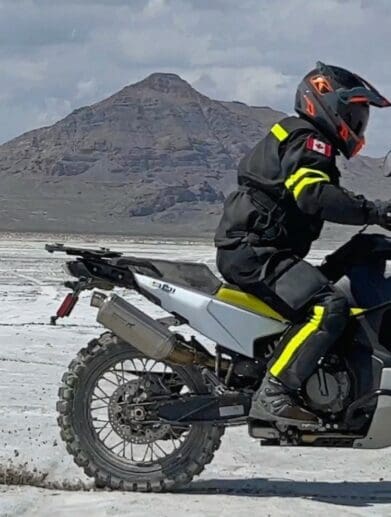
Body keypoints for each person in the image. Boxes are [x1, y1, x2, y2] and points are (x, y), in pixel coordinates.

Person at [214, 62, 391, 424]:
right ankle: (275, 391)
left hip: (266, 250)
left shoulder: (304, 138)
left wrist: (373, 239)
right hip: (255, 253)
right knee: (329, 307)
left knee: (361, 252)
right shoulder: (308, 139)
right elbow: (313, 195)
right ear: (327, 102)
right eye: (354, 113)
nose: (358, 124)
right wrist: (373, 211)